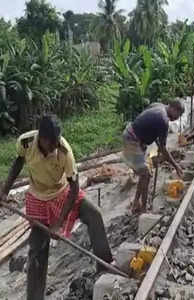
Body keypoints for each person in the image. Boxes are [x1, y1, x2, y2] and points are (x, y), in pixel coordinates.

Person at [0, 115, 113, 300]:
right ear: (41, 139)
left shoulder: (64, 150)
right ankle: (35, 297)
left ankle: (105, 265)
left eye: (57, 141)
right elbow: (18, 162)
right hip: (37, 198)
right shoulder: (26, 142)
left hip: (63, 193)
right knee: (36, 248)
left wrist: (59, 224)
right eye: (51, 143)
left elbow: (75, 188)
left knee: (94, 215)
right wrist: (4, 191)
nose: (55, 146)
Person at [122, 101, 184, 214]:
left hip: (134, 137)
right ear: (174, 109)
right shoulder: (164, 120)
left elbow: (149, 123)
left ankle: (136, 203)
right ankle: (144, 209)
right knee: (146, 174)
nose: (176, 119)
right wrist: (176, 166)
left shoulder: (158, 106)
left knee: (144, 172)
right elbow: (163, 149)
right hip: (133, 140)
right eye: (178, 115)